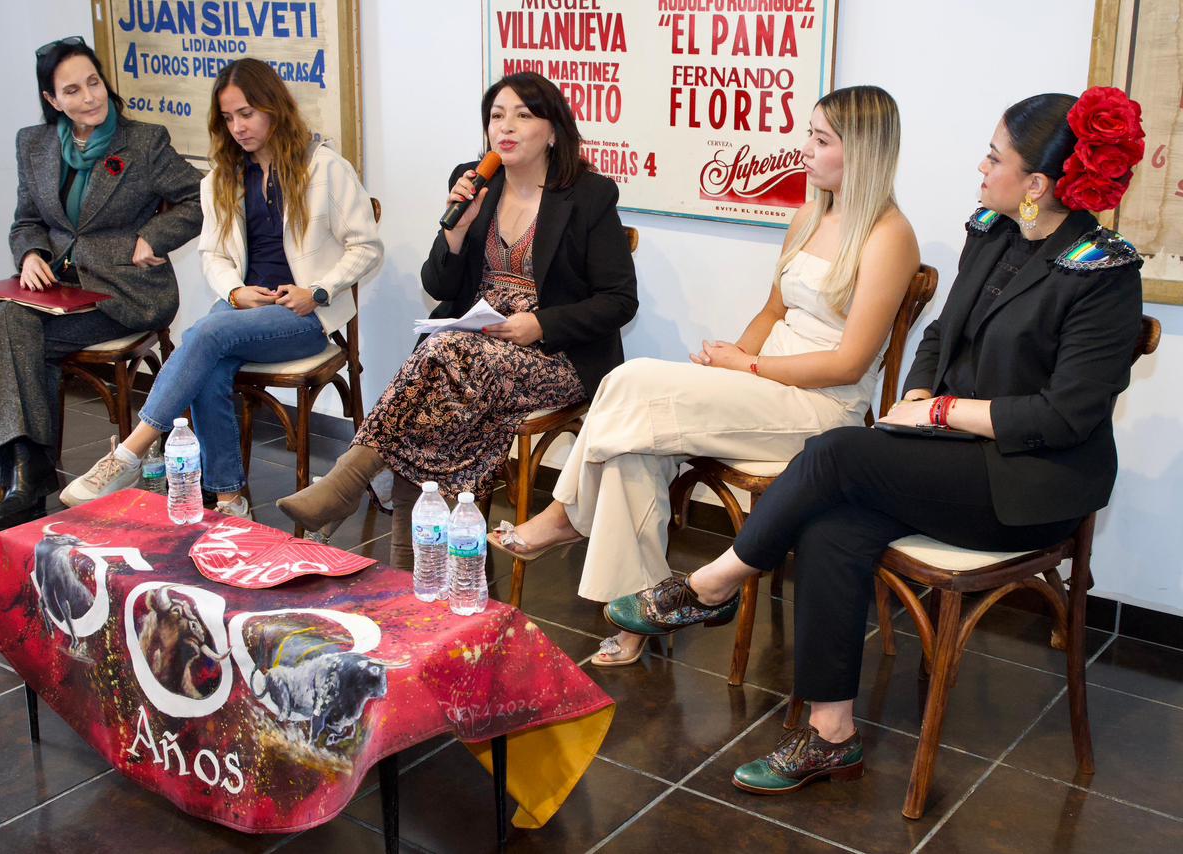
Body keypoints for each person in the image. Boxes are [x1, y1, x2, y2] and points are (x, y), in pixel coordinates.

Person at [604, 89, 1146, 795]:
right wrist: (921, 393)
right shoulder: (992, 231)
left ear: (1037, 185)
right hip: (957, 460)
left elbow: (1065, 416)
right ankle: (831, 733)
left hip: (1033, 483)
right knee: (835, 522)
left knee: (834, 452)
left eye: (993, 157)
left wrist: (945, 412)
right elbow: (942, 337)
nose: (979, 168)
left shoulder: (1103, 273)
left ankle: (716, 583)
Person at [490, 85, 920, 665]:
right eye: (809, 134)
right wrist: (729, 364)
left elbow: (849, 363)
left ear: (862, 151)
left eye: (820, 140)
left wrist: (748, 367)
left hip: (821, 408)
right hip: (764, 385)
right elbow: (773, 313)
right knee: (631, 445)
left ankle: (568, 515)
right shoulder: (810, 216)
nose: (804, 149)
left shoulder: (891, 236)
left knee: (630, 383)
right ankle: (639, 615)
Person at [277, 71, 638, 568]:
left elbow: (620, 300)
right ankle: (413, 556)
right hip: (475, 346)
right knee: (444, 384)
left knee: (440, 358)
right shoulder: (474, 182)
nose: (505, 128)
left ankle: (352, 486)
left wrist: (542, 325)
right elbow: (440, 287)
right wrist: (456, 232)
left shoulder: (589, 195)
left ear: (553, 131)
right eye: (496, 116)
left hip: (556, 355)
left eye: (523, 115)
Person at [60, 58, 382, 515]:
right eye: (228, 118)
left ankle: (128, 454)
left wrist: (318, 290)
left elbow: (366, 247)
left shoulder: (325, 167)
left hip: (302, 315)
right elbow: (212, 254)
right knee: (210, 359)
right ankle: (230, 499)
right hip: (242, 310)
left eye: (247, 114)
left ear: (274, 108)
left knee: (204, 336)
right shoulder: (221, 180)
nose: (238, 128)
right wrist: (234, 292)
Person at [0, 37, 202, 518]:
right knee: (7, 322)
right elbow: (26, 220)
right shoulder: (33, 144)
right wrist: (31, 253)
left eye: (94, 83)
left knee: (13, 338)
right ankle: (27, 467)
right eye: (72, 90)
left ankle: (26, 479)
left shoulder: (144, 141)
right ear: (52, 101)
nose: (89, 97)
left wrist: (154, 238)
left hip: (122, 293)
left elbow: (197, 200)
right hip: (57, 289)